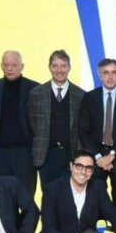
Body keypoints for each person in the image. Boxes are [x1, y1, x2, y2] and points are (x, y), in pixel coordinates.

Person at [78, 58, 116, 233]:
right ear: (99, 75)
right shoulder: (90, 98)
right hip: (95, 158)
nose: (110, 77)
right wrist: (98, 157)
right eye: (106, 73)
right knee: (94, 203)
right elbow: (83, 130)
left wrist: (112, 154)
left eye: (113, 73)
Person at [0, 50, 40, 195]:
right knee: (0, 197)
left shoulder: (35, 88)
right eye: (6, 65)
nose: (10, 68)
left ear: (22, 66)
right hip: (0, 153)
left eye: (14, 65)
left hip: (25, 153)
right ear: (1, 66)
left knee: (26, 196)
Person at [29, 50, 85, 186]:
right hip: (45, 156)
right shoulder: (36, 93)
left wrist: (80, 155)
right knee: (48, 194)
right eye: (55, 66)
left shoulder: (81, 95)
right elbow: (32, 123)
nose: (59, 70)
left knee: (71, 194)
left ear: (69, 67)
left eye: (63, 66)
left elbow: (83, 128)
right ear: (49, 67)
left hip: (72, 156)